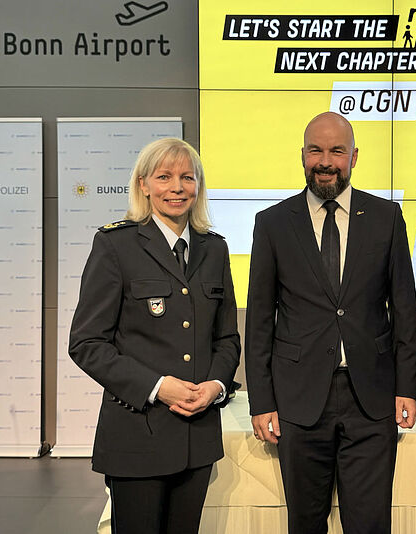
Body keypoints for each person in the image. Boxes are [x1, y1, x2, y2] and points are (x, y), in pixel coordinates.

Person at [245, 112, 416, 534]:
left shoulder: (386, 217)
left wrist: (406, 387)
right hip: (298, 398)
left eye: (337, 151)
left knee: (370, 524)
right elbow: (259, 319)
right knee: (305, 524)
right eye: (316, 150)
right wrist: (261, 400)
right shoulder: (272, 222)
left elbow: (404, 308)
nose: (326, 161)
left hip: (372, 399)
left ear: (354, 157)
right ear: (302, 156)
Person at [68, 138, 240, 534]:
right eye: (164, 177)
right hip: (136, 437)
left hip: (197, 438)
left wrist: (215, 384)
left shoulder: (215, 250)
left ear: (198, 185)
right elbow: (87, 344)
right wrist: (158, 387)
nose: (176, 187)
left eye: (186, 177)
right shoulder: (115, 245)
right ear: (143, 185)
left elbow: (227, 338)